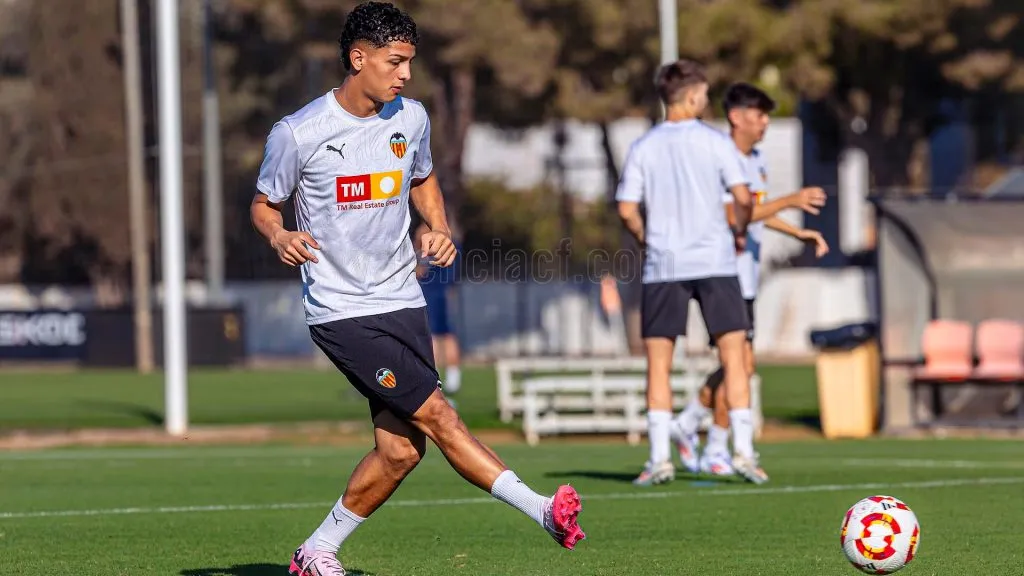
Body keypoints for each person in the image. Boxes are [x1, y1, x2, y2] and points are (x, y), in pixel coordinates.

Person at [249, 4, 584, 575]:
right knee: (440, 416)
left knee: (401, 450)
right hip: (341, 310)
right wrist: (279, 234)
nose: (405, 74)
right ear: (358, 59)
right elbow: (262, 205)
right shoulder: (298, 133)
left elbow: (423, 179)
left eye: (409, 62)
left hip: (403, 298)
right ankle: (543, 510)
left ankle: (316, 551)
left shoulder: (413, 118)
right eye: (394, 62)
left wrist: (439, 227)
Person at [669, 82, 830, 483]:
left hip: (747, 277)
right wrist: (790, 201)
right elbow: (734, 214)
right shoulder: (719, 158)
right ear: (736, 117)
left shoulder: (755, 159)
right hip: (723, 275)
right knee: (738, 363)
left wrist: (796, 232)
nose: (764, 124)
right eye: (758, 116)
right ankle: (717, 446)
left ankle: (690, 424)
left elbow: (757, 210)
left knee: (739, 364)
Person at [615, 59, 758, 487]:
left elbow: (626, 208)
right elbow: (743, 196)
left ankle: (659, 459)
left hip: (665, 266)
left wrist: (646, 238)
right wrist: (739, 228)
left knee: (659, 365)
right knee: (735, 359)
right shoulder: (716, 143)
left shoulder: (644, 146)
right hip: (716, 262)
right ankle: (745, 454)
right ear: (693, 97)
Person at [413, 215, 463, 397]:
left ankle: (441, 378)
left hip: (434, 295)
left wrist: (417, 247)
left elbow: (420, 272)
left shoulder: (437, 248)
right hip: (437, 294)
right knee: (443, 335)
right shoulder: (448, 246)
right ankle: (449, 378)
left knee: (437, 336)